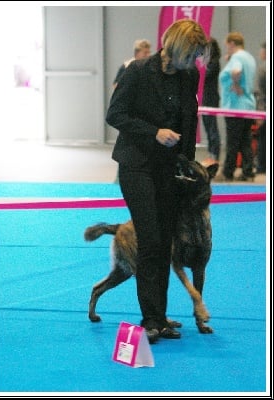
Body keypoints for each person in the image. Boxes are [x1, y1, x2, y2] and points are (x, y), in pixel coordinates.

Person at [106, 19, 209, 344]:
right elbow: (115, 115)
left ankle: (161, 317)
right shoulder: (137, 71)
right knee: (150, 240)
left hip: (169, 169)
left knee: (166, 242)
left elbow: (189, 118)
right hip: (136, 166)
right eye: (190, 54)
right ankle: (150, 319)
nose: (193, 61)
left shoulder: (188, 75)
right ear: (176, 48)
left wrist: (188, 163)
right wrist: (153, 133)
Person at [218, 32, 257, 182]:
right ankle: (248, 171)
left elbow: (236, 71)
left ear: (232, 43)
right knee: (245, 141)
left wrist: (235, 84)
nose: (227, 48)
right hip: (248, 105)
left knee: (232, 141)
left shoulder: (237, 58)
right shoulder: (249, 57)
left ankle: (228, 171)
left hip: (235, 106)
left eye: (227, 45)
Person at [112, 39, 152, 183]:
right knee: (126, 143)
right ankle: (120, 177)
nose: (148, 54)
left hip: (143, 113)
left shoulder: (149, 68)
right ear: (137, 53)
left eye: (149, 52)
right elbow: (116, 86)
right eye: (145, 52)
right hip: (128, 113)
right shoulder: (127, 66)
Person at [201, 37, 221, 167]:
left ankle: (214, 155)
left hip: (211, 98)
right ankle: (211, 153)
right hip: (205, 97)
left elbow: (204, 76)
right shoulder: (209, 62)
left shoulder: (214, 63)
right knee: (208, 128)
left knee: (212, 128)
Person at [254, 41, 266, 174]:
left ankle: (262, 166)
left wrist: (260, 113)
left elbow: (261, 94)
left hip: (265, 110)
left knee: (263, 140)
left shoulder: (263, 69)